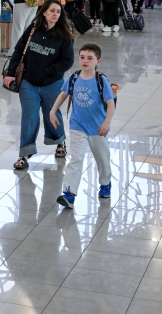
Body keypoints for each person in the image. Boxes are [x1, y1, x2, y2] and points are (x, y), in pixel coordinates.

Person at [3, 0, 75, 171]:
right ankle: (24, 154)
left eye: (58, 12)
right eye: (52, 11)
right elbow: (19, 49)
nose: (55, 14)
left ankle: (59, 142)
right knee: (29, 116)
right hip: (29, 82)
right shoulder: (33, 29)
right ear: (44, 12)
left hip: (53, 83)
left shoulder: (65, 35)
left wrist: (48, 71)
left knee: (52, 114)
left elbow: (67, 61)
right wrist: (11, 73)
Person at [51, 43, 115, 209]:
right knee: (76, 159)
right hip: (77, 125)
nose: (85, 61)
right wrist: (53, 111)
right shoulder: (74, 78)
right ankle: (69, 194)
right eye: (82, 57)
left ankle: (105, 183)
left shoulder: (101, 81)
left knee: (102, 159)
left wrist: (106, 123)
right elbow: (64, 93)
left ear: (98, 61)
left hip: (97, 128)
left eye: (89, 58)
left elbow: (111, 104)